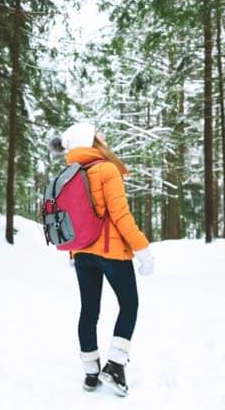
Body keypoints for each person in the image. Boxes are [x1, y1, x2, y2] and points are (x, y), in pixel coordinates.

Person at [50, 122, 155, 397]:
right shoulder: (107, 169)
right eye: (99, 136)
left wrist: (73, 252)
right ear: (91, 141)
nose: (104, 138)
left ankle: (90, 373)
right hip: (111, 252)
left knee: (89, 311)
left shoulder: (69, 173)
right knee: (129, 304)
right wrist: (142, 250)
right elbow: (121, 216)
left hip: (82, 253)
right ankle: (116, 366)